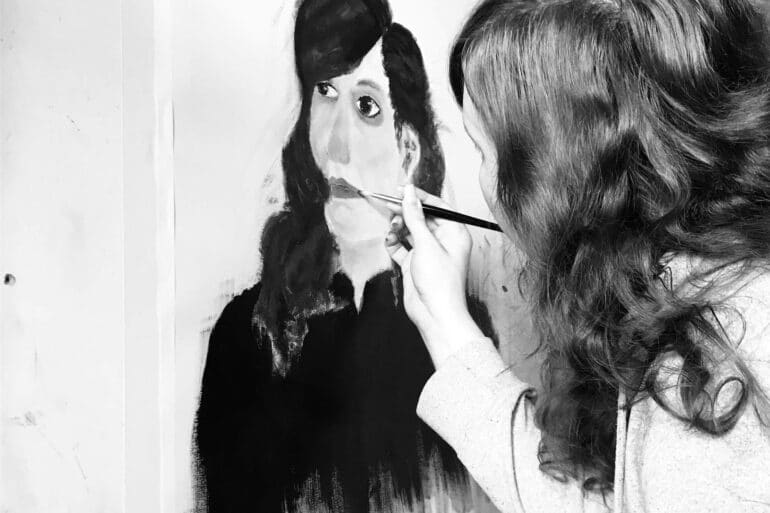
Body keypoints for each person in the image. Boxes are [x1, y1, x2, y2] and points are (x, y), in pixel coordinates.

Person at [385, 0, 770, 512]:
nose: (481, 186)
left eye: (482, 150)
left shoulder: (711, 371)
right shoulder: (717, 289)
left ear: (556, 177)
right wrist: (445, 322)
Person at [192, 0, 496, 512]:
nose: (335, 145)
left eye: (367, 107)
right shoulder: (246, 334)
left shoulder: (457, 337)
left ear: (408, 149)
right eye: (326, 93)